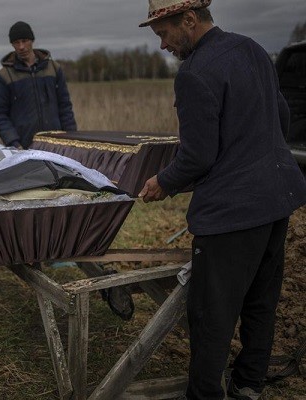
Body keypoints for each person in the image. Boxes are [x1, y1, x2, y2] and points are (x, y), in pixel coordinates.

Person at [137, 1, 306, 399]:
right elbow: (280, 116)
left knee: (211, 316)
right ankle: (248, 384)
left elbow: (197, 156)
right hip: (276, 201)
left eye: (164, 34)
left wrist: (163, 181)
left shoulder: (194, 74)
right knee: (261, 302)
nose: (163, 46)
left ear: (190, 20)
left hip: (232, 215)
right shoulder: (252, 49)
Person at [0, 21, 77, 149]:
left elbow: (65, 106)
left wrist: (72, 138)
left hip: (57, 144)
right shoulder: (4, 76)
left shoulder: (53, 68)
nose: (21, 47)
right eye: (16, 43)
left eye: (25, 41)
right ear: (12, 45)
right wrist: (14, 143)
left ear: (32, 40)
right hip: (25, 147)